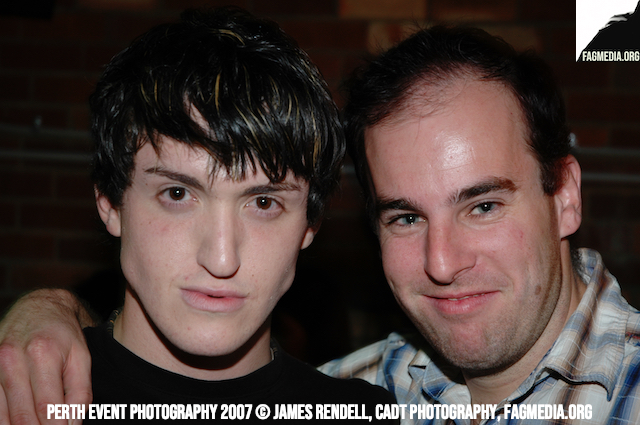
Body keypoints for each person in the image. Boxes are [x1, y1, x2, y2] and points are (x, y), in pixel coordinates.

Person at [2, 23, 640, 425]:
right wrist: (48, 314)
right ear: (108, 202)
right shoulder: (367, 390)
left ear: (565, 196)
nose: (442, 262)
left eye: (483, 205)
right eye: (405, 216)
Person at [0, 7, 398, 425]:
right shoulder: (23, 399)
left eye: (263, 203)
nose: (221, 259)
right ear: (110, 204)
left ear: (309, 225)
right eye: (177, 194)